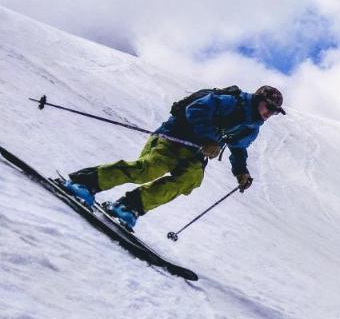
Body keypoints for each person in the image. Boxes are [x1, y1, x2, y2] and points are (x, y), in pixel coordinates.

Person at [63, 85, 286, 230]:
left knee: (190, 180)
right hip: (174, 137)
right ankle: (84, 182)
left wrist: (241, 172)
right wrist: (209, 138)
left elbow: (238, 149)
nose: (270, 113)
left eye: (275, 112)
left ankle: (129, 206)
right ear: (258, 100)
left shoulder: (251, 127)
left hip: (195, 153)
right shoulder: (231, 101)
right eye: (269, 107)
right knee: (149, 169)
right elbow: (195, 110)